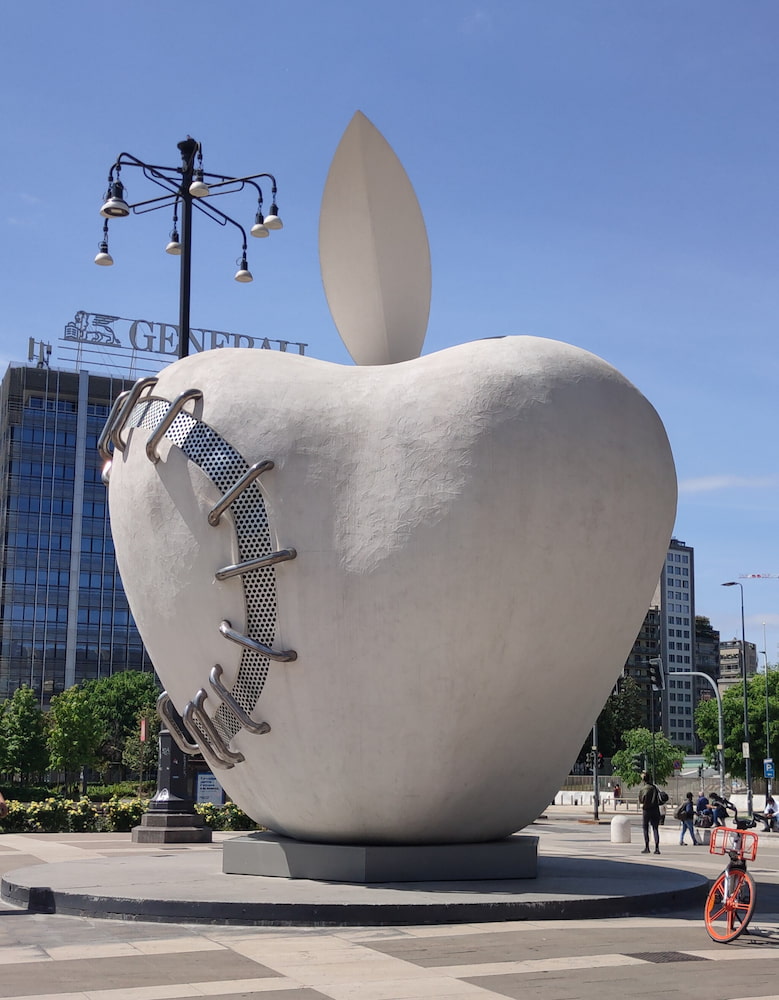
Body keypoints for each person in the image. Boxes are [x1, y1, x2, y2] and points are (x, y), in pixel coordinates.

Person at [638, 771, 662, 854]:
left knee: (645, 828)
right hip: (655, 809)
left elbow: (641, 800)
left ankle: (647, 847)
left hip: (646, 810)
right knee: (655, 829)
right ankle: (657, 848)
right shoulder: (654, 787)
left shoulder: (643, 789)